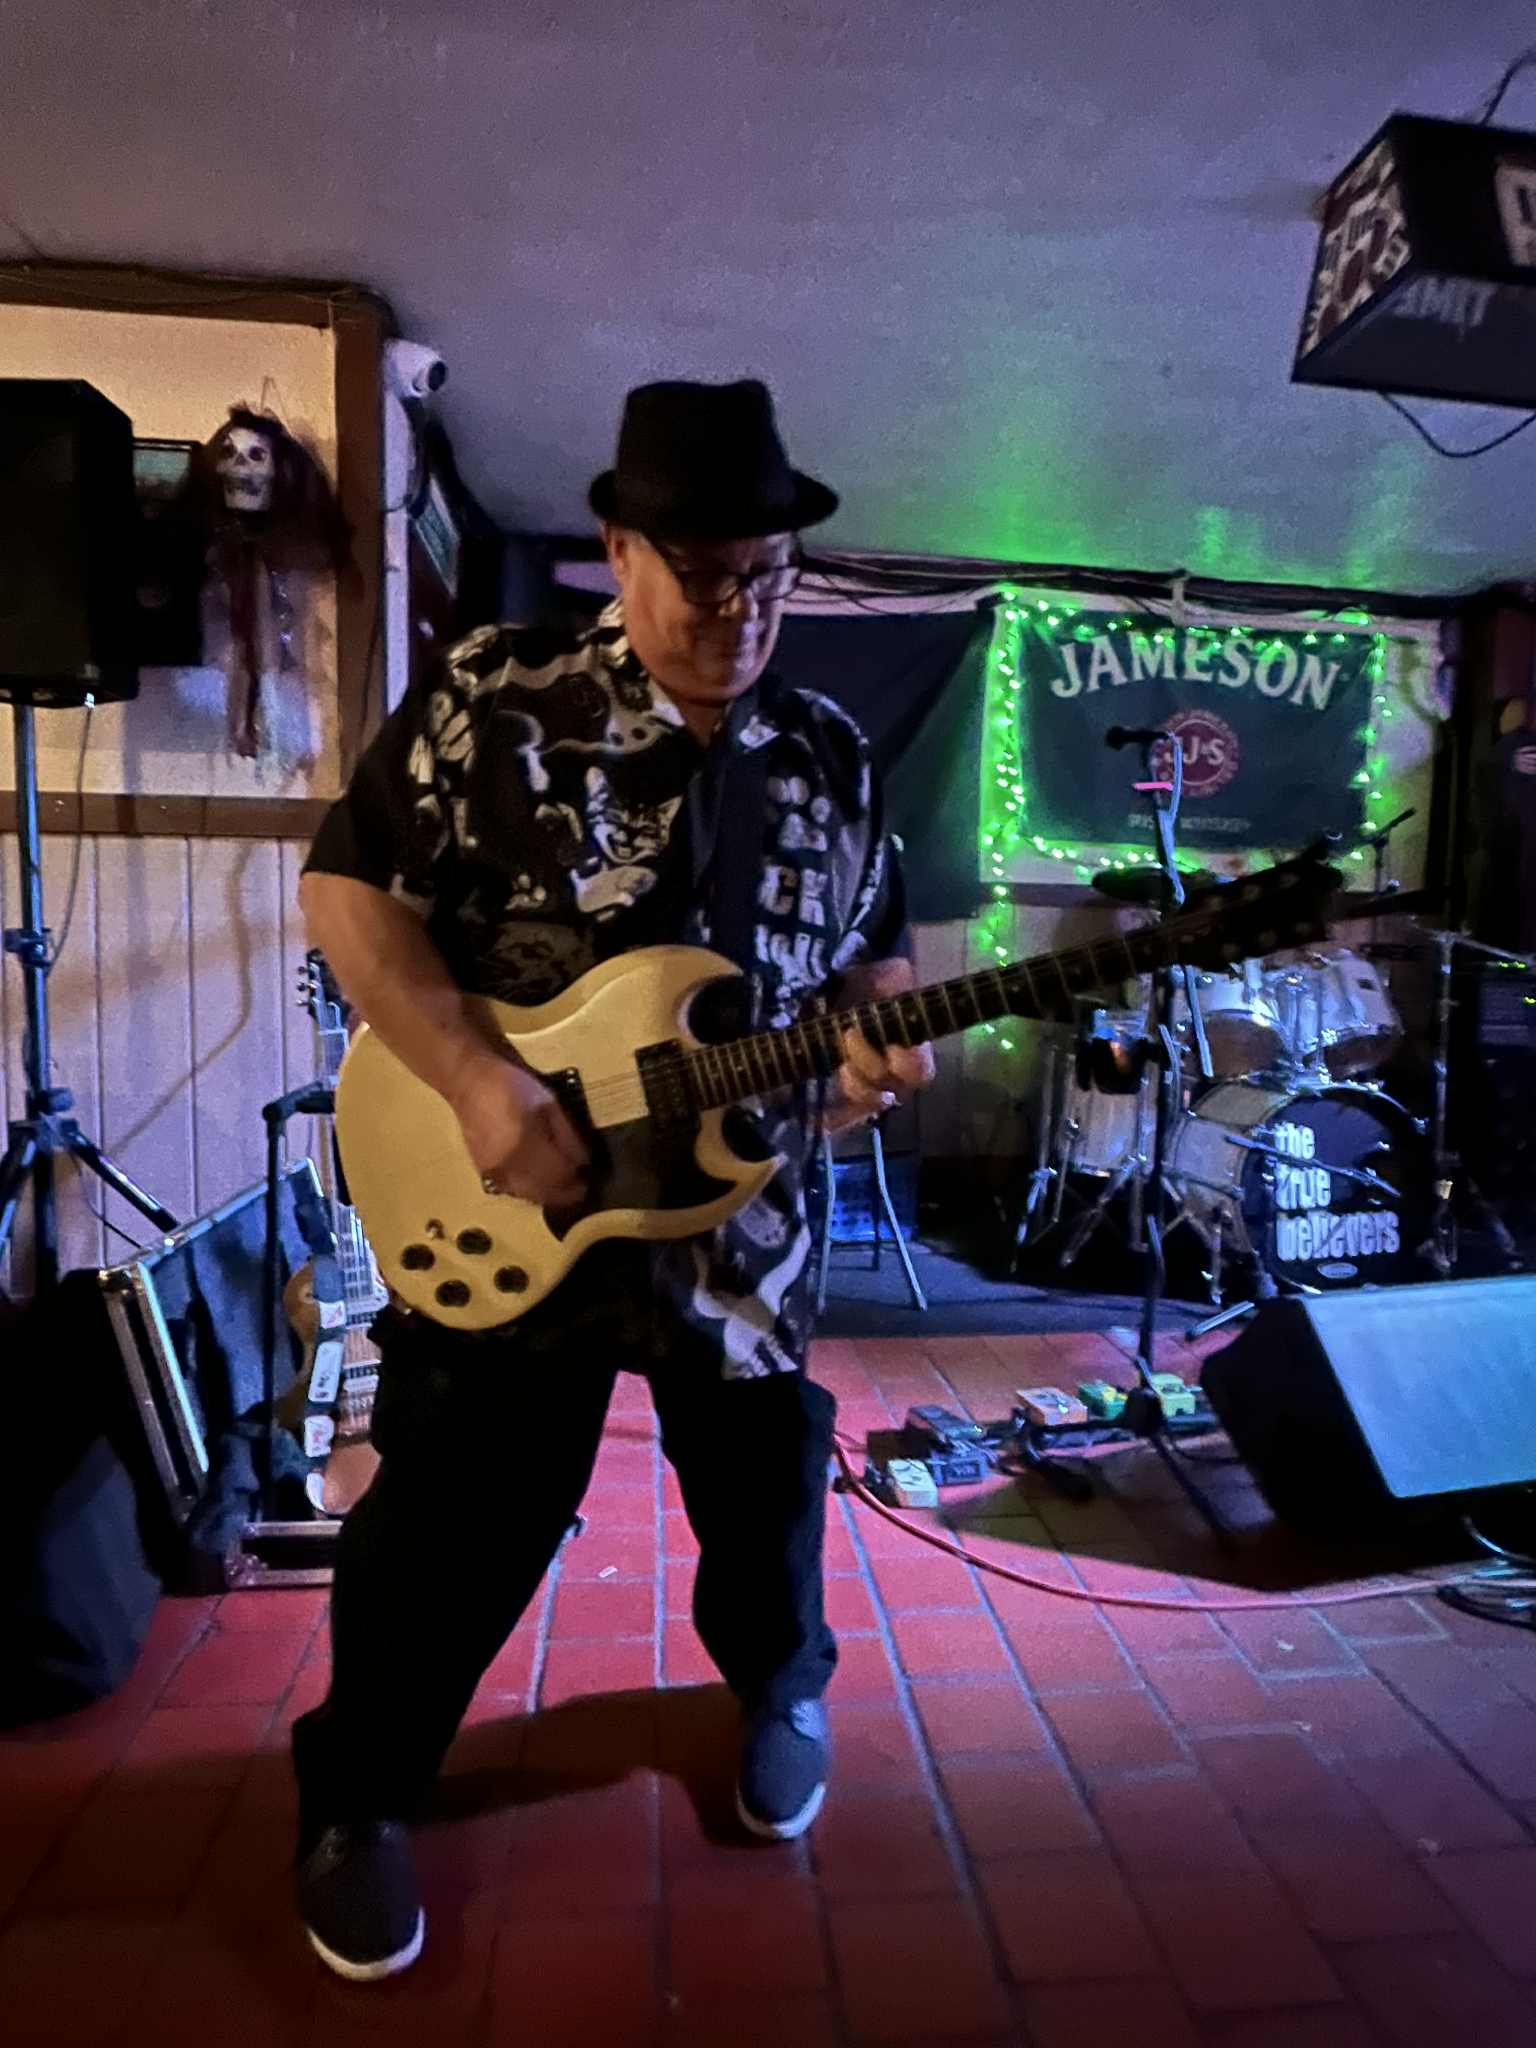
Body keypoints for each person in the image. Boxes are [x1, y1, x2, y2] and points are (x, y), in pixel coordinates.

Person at [289, 377, 932, 1981]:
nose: (738, 611)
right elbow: (348, 893)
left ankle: (779, 1691)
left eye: (768, 576)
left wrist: (874, 1039)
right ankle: (360, 1791)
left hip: (743, 1228)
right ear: (620, 550)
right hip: (511, 1195)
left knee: (766, 1498)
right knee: (453, 1514)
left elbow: (875, 954)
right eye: (701, 575)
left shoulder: (832, 752)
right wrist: (474, 1080)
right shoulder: (494, 695)